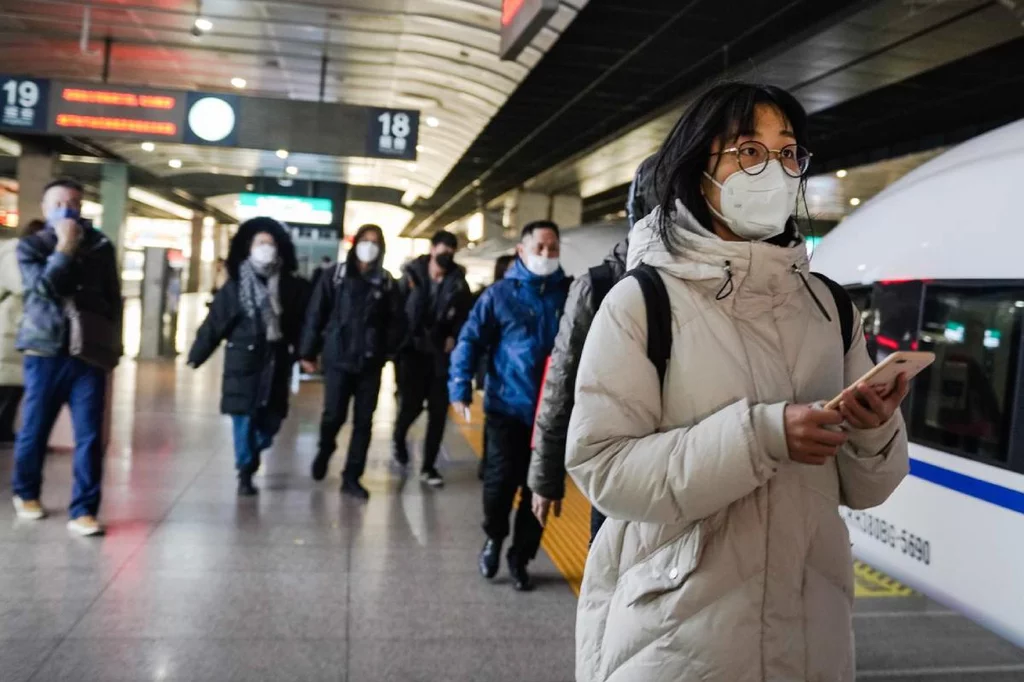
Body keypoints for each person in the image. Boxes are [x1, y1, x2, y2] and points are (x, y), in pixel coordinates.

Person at [565, 82, 910, 681]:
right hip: (675, 639)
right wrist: (761, 437)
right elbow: (602, 467)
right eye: (749, 151)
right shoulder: (643, 302)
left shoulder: (829, 307)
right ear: (701, 168)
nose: (773, 170)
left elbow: (867, 488)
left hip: (811, 636)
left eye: (787, 153)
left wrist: (873, 430)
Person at [528, 155, 656, 542]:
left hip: (689, 467)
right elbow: (562, 380)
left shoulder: (714, 281)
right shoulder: (598, 285)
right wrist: (546, 475)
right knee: (611, 583)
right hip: (617, 467)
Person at [448, 220, 570, 592]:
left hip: (551, 415)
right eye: (540, 248)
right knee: (499, 486)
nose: (547, 255)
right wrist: (460, 385)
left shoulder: (571, 292)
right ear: (522, 250)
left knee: (539, 490)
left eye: (553, 248)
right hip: (506, 408)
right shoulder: (499, 295)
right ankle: (494, 537)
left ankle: (521, 558)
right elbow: (470, 339)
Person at [12, 178, 122, 536]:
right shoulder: (30, 246)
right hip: (45, 350)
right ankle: (26, 493)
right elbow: (43, 289)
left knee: (90, 435)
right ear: (45, 210)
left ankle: (84, 510)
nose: (67, 207)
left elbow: (112, 299)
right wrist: (64, 247)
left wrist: (113, 348)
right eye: (58, 202)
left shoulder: (102, 247)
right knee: (35, 429)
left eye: (74, 201)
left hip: (88, 353)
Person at [188, 218, 309, 496]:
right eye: (260, 243)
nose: (265, 248)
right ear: (248, 248)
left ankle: (255, 449)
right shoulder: (235, 287)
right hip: (243, 362)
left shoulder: (292, 287)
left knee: (272, 421)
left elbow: (301, 325)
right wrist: (198, 353)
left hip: (277, 362)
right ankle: (245, 470)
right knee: (243, 417)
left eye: (270, 243)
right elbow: (215, 323)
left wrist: (306, 353)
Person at [300, 224, 404, 500]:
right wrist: (307, 353)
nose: (369, 246)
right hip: (338, 358)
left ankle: (352, 476)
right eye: (365, 240)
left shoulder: (386, 281)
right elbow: (315, 314)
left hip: (370, 363)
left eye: (375, 242)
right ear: (355, 243)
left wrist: (388, 350)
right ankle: (325, 448)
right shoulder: (334, 276)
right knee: (333, 414)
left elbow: (396, 322)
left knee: (363, 421)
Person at [392, 230, 472, 487]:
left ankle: (428, 467)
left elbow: (465, 318)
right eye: (443, 250)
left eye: (451, 251)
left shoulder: (459, 283)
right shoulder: (410, 276)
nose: (447, 255)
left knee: (438, 413)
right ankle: (398, 438)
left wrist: (454, 337)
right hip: (412, 354)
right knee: (411, 407)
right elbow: (395, 312)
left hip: (441, 356)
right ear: (432, 249)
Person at [0, 220, 43, 445]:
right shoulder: (14, 252)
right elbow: (21, 284)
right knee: (6, 384)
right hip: (7, 325)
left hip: (18, 325)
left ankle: (5, 429)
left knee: (14, 386)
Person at [475, 253, 515, 481]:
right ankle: (487, 462)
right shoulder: (493, 297)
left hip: (514, 378)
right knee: (493, 421)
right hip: (496, 372)